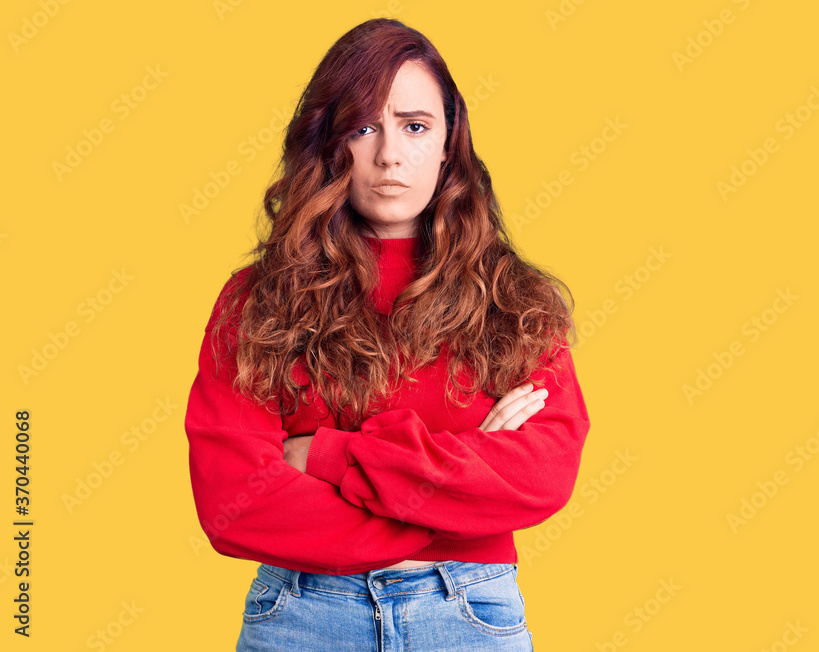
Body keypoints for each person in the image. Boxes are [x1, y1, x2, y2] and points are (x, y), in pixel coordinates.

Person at [184, 17, 590, 651]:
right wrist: (453, 492)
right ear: (329, 141)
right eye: (364, 127)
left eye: (415, 126)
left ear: (449, 143)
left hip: (468, 613)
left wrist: (324, 456)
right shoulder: (256, 301)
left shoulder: (515, 300)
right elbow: (234, 500)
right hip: (301, 614)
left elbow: (543, 474)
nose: (390, 155)